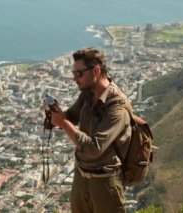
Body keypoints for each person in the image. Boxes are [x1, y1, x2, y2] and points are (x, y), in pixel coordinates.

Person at [51, 47, 132, 213]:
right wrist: (54, 117)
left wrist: (64, 123)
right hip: (81, 176)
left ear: (96, 70)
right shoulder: (88, 94)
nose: (75, 79)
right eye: (73, 74)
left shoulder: (117, 106)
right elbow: (71, 116)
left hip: (105, 183)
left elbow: (94, 148)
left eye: (79, 74)